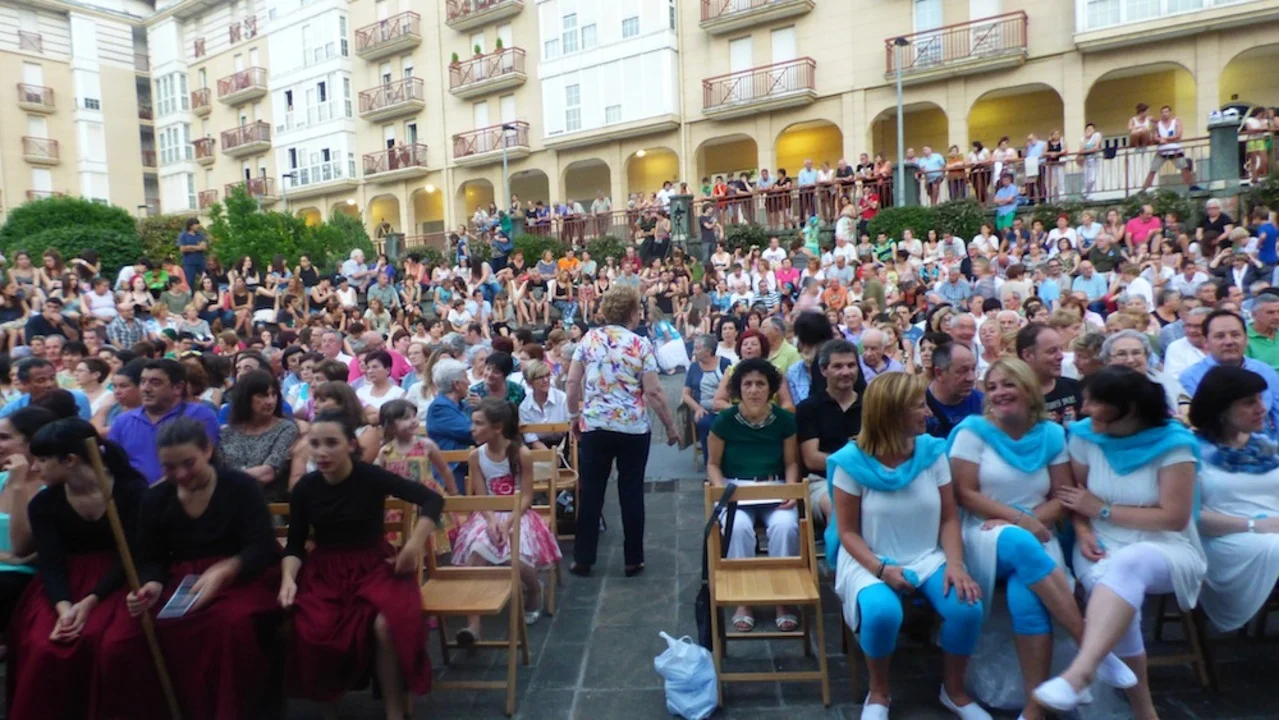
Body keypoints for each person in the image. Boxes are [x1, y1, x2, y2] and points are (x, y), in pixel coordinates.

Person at [952, 359, 1137, 718]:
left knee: (1026, 598)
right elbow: (966, 495)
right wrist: (1020, 520)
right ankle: (1092, 648)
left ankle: (1033, 710)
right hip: (983, 531)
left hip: (1039, 530)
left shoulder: (1051, 434)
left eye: (1008, 384)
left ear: (1027, 389)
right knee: (1019, 543)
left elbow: (1063, 496)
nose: (999, 393)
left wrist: (1030, 521)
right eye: (992, 387)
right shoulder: (972, 432)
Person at [1034, 367, 1204, 715]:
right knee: (1113, 586)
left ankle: (1081, 672)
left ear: (1128, 407)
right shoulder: (1084, 437)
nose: (1084, 409)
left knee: (1129, 563)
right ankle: (1144, 710)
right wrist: (1084, 531)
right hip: (1100, 543)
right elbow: (1077, 500)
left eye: (1095, 402)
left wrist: (1103, 510)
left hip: (1168, 546)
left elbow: (1173, 518)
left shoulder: (1174, 445)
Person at [828, 372, 988, 720]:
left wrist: (956, 564)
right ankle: (879, 693)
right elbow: (848, 532)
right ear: (891, 413)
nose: (928, 412)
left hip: (928, 555)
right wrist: (881, 569)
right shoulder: (851, 463)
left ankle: (954, 691)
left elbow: (949, 517)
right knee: (882, 612)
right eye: (918, 406)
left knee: (967, 607)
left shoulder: (932, 453)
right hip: (869, 558)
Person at [101, 418, 280, 719]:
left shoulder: (241, 487)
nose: (181, 475)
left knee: (229, 627)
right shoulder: (155, 498)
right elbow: (150, 557)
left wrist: (226, 569)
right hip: (178, 579)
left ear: (207, 450)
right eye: (169, 467)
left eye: (188, 463)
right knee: (122, 640)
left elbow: (261, 546)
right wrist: (152, 583)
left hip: (243, 576)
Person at [280, 410, 444, 718]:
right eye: (315, 444)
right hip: (325, 570)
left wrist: (413, 545)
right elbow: (295, 543)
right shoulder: (305, 487)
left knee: (386, 623)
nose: (322, 452)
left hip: (374, 564)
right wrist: (288, 579)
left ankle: (394, 709)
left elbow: (433, 499)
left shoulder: (369, 475)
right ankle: (328, 710)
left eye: (332, 443)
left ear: (351, 445)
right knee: (314, 626)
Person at [7, 418, 148, 719]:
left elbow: (134, 556)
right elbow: (51, 562)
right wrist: (64, 608)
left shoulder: (132, 492)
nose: (35, 467)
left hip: (119, 580)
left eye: (43, 460)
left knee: (111, 644)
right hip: (64, 584)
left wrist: (90, 602)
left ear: (70, 460)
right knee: (43, 643)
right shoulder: (45, 504)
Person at [565, 285, 679, 577]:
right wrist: (670, 426)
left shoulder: (589, 339)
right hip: (632, 428)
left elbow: (572, 382)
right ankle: (633, 559)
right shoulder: (640, 344)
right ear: (632, 312)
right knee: (631, 492)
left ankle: (583, 559)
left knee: (591, 492)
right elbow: (653, 392)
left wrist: (574, 416)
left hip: (595, 426)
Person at [451, 398, 562, 641]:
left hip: (517, 512)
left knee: (515, 551)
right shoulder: (476, 456)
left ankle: (534, 588)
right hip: (488, 512)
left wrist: (508, 522)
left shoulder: (520, 453)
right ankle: (473, 624)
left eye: (478, 424)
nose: (472, 429)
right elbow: (481, 496)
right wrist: (491, 521)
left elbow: (527, 496)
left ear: (497, 427)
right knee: (477, 550)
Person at [706, 357, 802, 632]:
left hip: (774, 486)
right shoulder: (725, 420)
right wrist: (720, 491)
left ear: (770, 388)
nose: (754, 390)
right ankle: (743, 597)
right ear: (738, 389)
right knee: (737, 528)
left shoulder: (784, 420)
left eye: (760, 384)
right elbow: (712, 464)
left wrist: (791, 490)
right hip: (735, 489)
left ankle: (783, 597)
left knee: (786, 527)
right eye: (747, 384)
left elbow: (791, 462)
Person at [1189, 366, 1279, 633]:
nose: (1262, 408)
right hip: (1224, 539)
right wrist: (1253, 525)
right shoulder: (1190, 452)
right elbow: (1188, 516)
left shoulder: (1267, 447)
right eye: (1249, 402)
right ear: (1221, 409)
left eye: (1260, 399)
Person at [108, 358, 221, 485]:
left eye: (155, 383)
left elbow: (205, 461)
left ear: (178, 388)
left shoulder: (199, 416)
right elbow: (112, 465)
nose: (146, 388)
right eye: (142, 382)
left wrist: (157, 492)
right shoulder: (123, 421)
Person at [796, 339, 863, 529]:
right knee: (838, 506)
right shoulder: (809, 408)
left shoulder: (871, 405)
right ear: (824, 370)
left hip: (866, 477)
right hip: (822, 481)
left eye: (851, 365)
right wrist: (858, 461)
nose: (846, 372)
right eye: (838, 366)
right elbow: (812, 459)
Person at [1179, 310, 1279, 434]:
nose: (1229, 342)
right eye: (1220, 336)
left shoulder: (1265, 371)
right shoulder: (1190, 377)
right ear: (1206, 342)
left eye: (1235, 335)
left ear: (1246, 339)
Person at [0, 406, 55, 628]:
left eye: (4, 438)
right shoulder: (2, 479)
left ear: (32, 441)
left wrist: (18, 484)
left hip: (23, 578)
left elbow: (25, 549)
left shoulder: (51, 489)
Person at [217, 369, 300, 500]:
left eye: (273, 394)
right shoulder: (227, 432)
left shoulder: (286, 429)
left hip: (267, 502)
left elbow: (268, 472)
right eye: (262, 395)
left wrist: (228, 479)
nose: (270, 401)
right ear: (246, 398)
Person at [683, 334, 732, 455]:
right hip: (704, 410)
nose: (693, 352)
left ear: (708, 351)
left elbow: (732, 388)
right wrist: (697, 408)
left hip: (724, 408)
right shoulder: (694, 367)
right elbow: (685, 394)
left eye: (697, 348)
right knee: (705, 423)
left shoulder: (724, 363)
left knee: (724, 424)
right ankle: (710, 460)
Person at [0, 356, 92, 420]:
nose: (49, 384)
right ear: (25, 383)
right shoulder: (14, 409)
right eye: (41, 380)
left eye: (52, 378)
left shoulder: (77, 398)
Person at [925, 343, 982, 437]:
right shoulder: (918, 407)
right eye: (962, 371)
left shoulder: (983, 403)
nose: (971, 378)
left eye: (973, 369)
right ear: (939, 373)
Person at [518, 360, 569, 450]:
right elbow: (532, 439)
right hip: (537, 448)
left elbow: (569, 432)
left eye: (547, 375)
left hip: (564, 445)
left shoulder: (562, 399)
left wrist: (559, 452)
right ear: (530, 382)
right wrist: (550, 455)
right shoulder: (524, 407)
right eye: (540, 377)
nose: (545, 380)